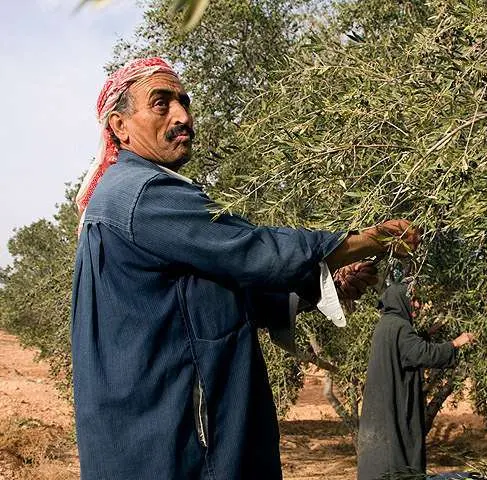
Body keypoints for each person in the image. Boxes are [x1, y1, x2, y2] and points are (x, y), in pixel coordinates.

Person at [71, 57, 421, 480]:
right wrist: (368, 240)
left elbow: (200, 299)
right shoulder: (143, 194)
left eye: (183, 101)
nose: (182, 115)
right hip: (179, 445)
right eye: (161, 104)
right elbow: (256, 251)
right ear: (120, 127)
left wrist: (323, 280)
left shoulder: (119, 197)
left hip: (147, 440)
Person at [357, 282, 475, 480]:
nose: (418, 305)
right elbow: (422, 354)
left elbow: (407, 350)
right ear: (401, 300)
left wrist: (427, 334)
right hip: (393, 411)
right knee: (396, 456)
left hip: (381, 410)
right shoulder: (399, 327)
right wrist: (456, 343)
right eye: (414, 300)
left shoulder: (388, 325)